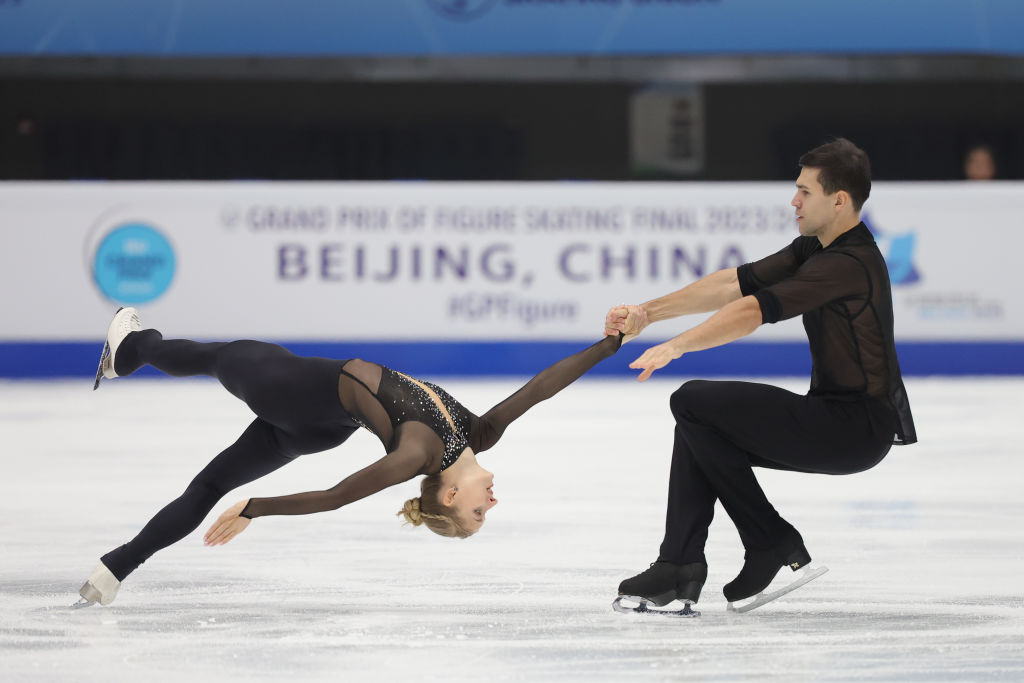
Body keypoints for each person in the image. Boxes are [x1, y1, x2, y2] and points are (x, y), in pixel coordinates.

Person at [77, 307, 623, 607]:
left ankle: (136, 345)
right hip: (319, 427)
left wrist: (255, 508)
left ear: (451, 496)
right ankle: (114, 570)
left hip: (288, 392)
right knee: (205, 485)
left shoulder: (417, 454)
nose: (494, 502)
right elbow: (540, 388)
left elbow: (337, 497)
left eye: (480, 512)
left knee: (219, 356)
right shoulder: (479, 434)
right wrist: (606, 348)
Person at [605, 138, 916, 614]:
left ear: (839, 200)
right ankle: (679, 566)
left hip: (854, 428)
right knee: (700, 427)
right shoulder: (816, 246)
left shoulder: (847, 264)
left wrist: (678, 345)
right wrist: (648, 313)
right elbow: (736, 282)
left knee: (692, 401)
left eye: (805, 191)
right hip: (836, 417)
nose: (794, 200)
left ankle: (771, 541)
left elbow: (753, 310)